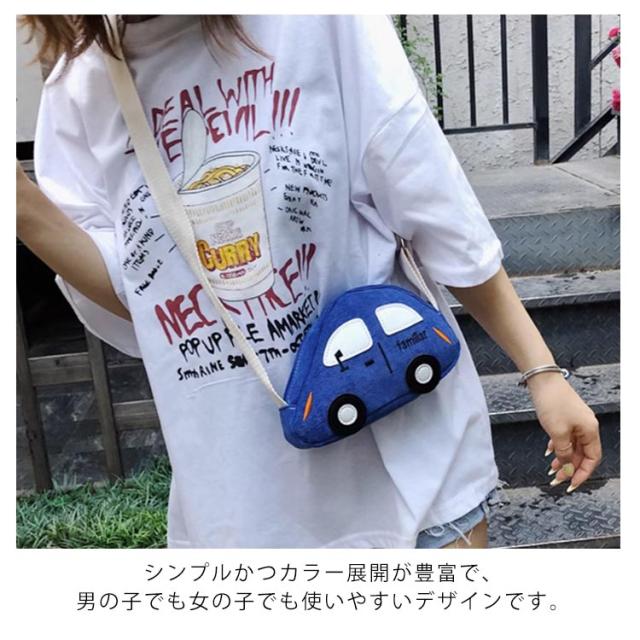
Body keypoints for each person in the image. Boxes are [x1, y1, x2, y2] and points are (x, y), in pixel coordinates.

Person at [16, 15, 602, 549]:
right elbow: (139, 294)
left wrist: (541, 371)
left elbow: (436, 209)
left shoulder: (318, 22)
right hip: (243, 502)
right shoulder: (79, 86)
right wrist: (22, 207)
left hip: (410, 474)